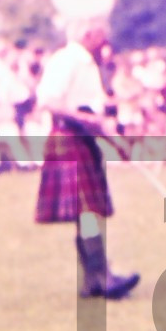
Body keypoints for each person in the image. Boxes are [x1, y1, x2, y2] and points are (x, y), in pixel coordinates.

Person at [33, 23, 139, 299]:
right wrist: (88, 120)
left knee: (87, 214)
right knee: (88, 213)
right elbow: (48, 101)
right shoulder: (68, 60)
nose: (106, 38)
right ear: (87, 35)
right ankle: (101, 276)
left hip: (83, 138)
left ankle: (93, 280)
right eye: (101, 33)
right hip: (69, 137)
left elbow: (92, 108)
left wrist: (107, 132)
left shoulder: (87, 63)